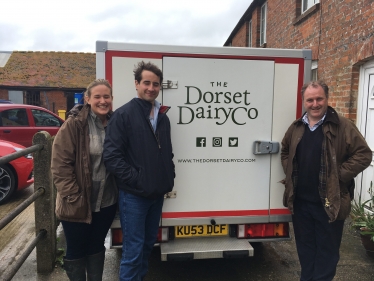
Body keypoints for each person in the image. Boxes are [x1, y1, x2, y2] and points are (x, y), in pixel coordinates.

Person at [281, 80, 372, 281]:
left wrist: (338, 176)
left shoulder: (342, 125)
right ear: (304, 101)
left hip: (329, 203)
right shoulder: (297, 127)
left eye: (319, 98)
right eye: (310, 100)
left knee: (327, 254)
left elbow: (364, 154)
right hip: (301, 203)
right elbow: (285, 150)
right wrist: (290, 171)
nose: (315, 104)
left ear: (327, 99)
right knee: (305, 252)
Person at [103, 61, 175, 281]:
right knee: (133, 252)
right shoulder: (123, 115)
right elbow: (112, 157)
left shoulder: (162, 117)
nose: (151, 88)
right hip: (133, 196)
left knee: (145, 248)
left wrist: (168, 176)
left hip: (156, 195)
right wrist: (138, 180)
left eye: (155, 84)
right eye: (146, 83)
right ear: (136, 84)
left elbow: (167, 153)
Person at [51, 79, 118, 281]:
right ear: (87, 99)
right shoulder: (74, 125)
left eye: (106, 96)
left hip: (106, 202)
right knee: (76, 250)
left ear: (112, 99)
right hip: (77, 203)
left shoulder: (116, 124)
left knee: (97, 246)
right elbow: (60, 165)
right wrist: (73, 196)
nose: (102, 101)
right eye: (97, 96)